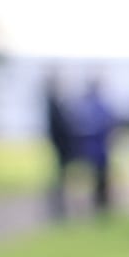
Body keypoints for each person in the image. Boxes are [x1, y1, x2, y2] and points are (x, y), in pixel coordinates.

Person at [72, 77, 119, 218]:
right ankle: (100, 205)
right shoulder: (95, 105)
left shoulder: (88, 105)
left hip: (94, 149)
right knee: (98, 179)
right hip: (97, 149)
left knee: (97, 179)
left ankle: (99, 205)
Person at [42, 72, 75, 220]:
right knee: (59, 179)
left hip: (62, 147)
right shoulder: (53, 105)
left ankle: (59, 208)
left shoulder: (54, 103)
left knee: (60, 178)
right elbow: (58, 128)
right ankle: (58, 209)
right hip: (61, 147)